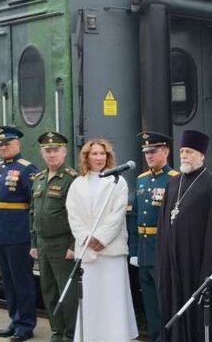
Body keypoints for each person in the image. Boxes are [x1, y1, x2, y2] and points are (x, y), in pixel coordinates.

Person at [156, 129, 212, 342]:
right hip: (174, 267)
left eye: (189, 151)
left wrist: (208, 274)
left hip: (197, 267)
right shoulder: (172, 183)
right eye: (182, 151)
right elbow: (164, 225)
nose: (184, 155)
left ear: (202, 155)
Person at [66, 138, 138, 342]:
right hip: (87, 252)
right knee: (91, 300)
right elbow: (73, 214)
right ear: (86, 157)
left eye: (102, 154)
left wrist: (101, 238)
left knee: (113, 298)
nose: (99, 158)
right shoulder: (77, 184)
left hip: (111, 251)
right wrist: (86, 238)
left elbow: (117, 214)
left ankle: (117, 337)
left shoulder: (118, 181)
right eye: (94, 154)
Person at [0, 126, 39, 342]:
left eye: (7, 143)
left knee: (22, 281)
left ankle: (26, 324)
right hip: (1, 234)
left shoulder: (27, 169)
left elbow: (34, 205)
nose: (3, 147)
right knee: (8, 282)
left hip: (18, 235)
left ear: (17, 144)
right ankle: (15, 319)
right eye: (0, 144)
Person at [128, 131, 179, 342]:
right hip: (144, 250)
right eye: (146, 152)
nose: (149, 155)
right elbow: (135, 217)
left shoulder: (175, 179)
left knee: (165, 302)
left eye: (153, 151)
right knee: (149, 302)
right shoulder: (141, 180)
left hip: (162, 249)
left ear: (165, 151)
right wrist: (134, 251)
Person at [29, 131, 78, 342]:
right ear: (42, 153)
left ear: (64, 152)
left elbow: (78, 216)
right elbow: (33, 213)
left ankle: (70, 333)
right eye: (48, 151)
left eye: (56, 150)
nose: (52, 155)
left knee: (67, 291)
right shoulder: (38, 179)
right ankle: (57, 331)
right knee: (48, 291)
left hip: (62, 244)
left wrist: (73, 244)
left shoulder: (72, 179)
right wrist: (34, 243)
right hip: (43, 243)